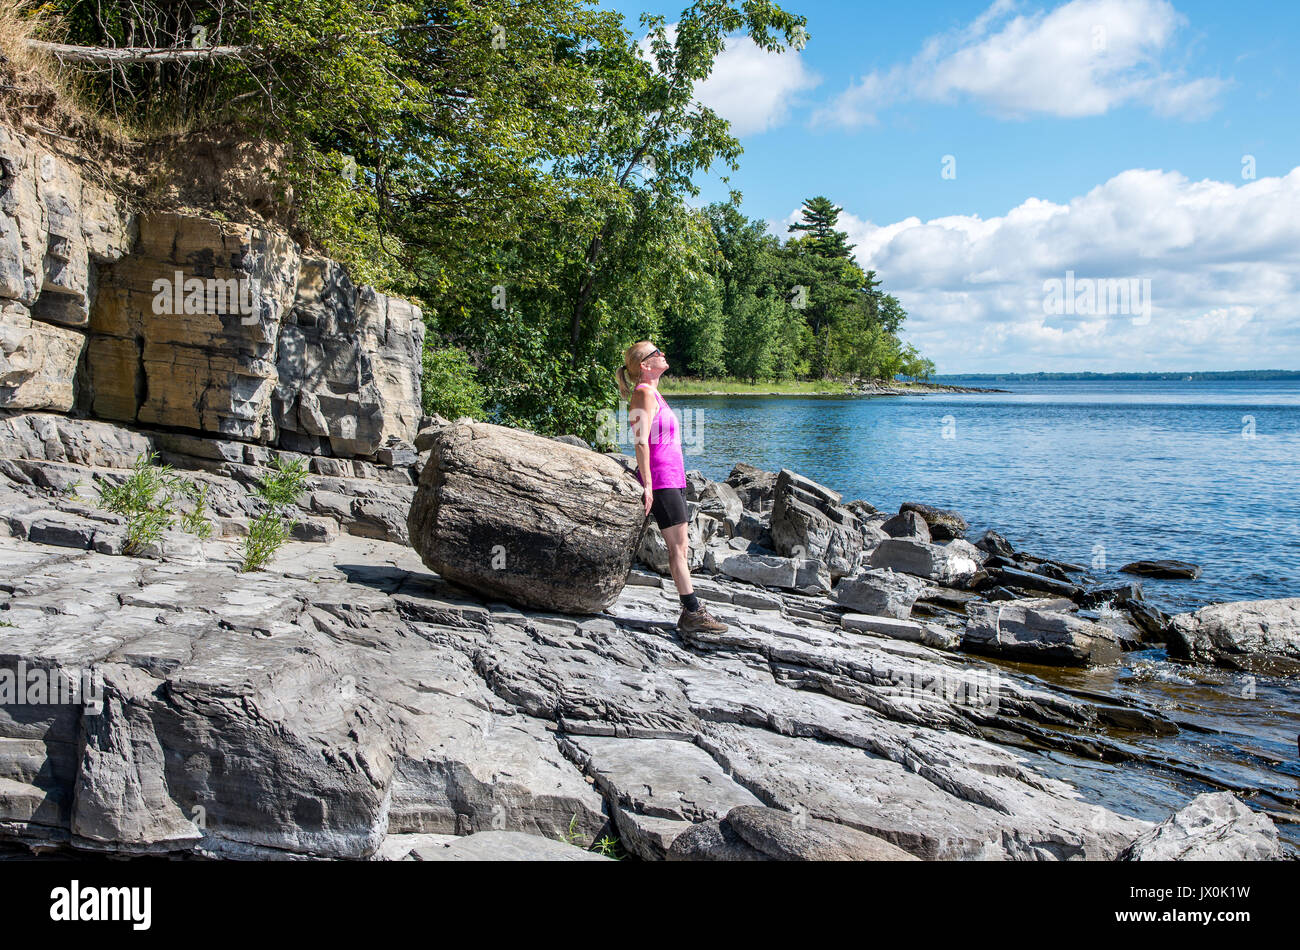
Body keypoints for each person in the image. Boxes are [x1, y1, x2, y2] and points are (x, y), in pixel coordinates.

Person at [616, 341, 729, 634]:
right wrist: (648, 485)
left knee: (682, 546)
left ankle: (691, 611)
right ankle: (692, 612)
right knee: (678, 548)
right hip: (661, 480)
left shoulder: (654, 394)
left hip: (674, 478)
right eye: (657, 353)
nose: (663, 354)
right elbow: (640, 441)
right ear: (645, 365)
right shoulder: (642, 394)